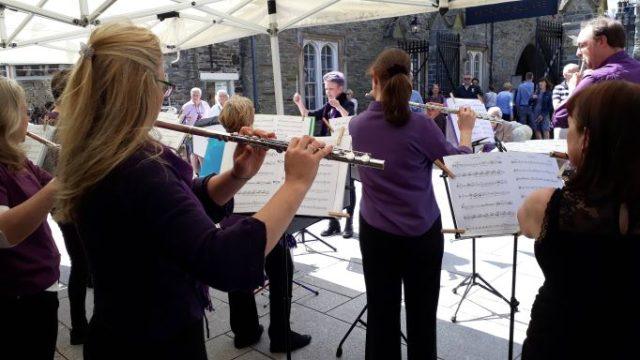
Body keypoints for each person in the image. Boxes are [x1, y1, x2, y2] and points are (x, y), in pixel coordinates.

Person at [54, 22, 332, 360]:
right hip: (154, 342)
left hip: (124, 329)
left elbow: (177, 208)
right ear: (140, 87)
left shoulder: (110, 150)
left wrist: (236, 175)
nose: (164, 93)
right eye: (163, 82)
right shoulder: (136, 168)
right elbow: (223, 260)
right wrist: (296, 183)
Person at [349, 48, 476, 360]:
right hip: (421, 234)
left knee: (381, 313)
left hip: (376, 233)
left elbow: (391, 136)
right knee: (421, 317)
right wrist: (467, 132)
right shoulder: (420, 126)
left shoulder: (357, 125)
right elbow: (456, 163)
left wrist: (424, 123)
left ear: (375, 79)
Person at [518, 80, 640, 359]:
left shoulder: (550, 203)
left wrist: (572, 176)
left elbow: (525, 222)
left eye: (571, 129)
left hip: (560, 339)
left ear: (586, 140)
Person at [218, 96, 311, 353]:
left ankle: (244, 332)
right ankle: (281, 335)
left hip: (228, 222)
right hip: (263, 221)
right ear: (251, 117)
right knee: (282, 270)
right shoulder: (261, 144)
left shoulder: (215, 142)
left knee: (237, 273)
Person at [0, 77, 61, 359]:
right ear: (8, 116)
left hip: (38, 290)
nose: (29, 118)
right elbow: (4, 233)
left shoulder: (18, 161)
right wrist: (62, 182)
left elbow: (59, 192)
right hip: (17, 299)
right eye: (25, 111)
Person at [41, 68, 92, 345]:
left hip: (61, 206)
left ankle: (79, 325)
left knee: (80, 262)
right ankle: (79, 326)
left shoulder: (50, 122)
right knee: (82, 265)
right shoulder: (71, 124)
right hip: (75, 204)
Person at [293, 71, 355, 238]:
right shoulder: (328, 106)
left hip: (344, 150)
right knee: (331, 186)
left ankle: (349, 224)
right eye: (326, 88)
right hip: (328, 150)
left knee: (348, 187)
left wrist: (338, 107)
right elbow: (309, 115)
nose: (328, 92)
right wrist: (299, 103)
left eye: (331, 88)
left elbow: (350, 120)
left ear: (340, 88)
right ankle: (333, 223)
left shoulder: (348, 104)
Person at [553, 17, 640, 128]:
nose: (578, 53)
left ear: (602, 41)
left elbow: (560, 118)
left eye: (582, 45)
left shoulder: (596, 78)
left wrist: (573, 89)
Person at [180, 87, 211, 174]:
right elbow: (180, 121)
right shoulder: (186, 106)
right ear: (191, 95)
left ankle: (204, 171)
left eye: (197, 95)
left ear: (200, 95)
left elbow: (209, 116)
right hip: (191, 132)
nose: (196, 96)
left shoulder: (205, 104)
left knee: (202, 152)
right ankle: (195, 172)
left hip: (203, 131)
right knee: (194, 152)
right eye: (194, 95)